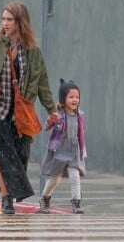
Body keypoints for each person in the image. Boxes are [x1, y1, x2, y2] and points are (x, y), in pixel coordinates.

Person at [0, 1, 59, 214]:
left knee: (19, 157)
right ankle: (7, 199)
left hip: (21, 115)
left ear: (20, 22)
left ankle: (7, 186)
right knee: (4, 155)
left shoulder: (32, 51)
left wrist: (51, 110)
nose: (6, 23)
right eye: (4, 19)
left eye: (10, 19)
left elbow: (42, 83)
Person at [39, 78, 87, 214]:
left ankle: (76, 203)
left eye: (77, 97)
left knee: (75, 176)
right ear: (63, 99)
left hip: (73, 151)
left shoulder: (80, 115)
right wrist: (50, 122)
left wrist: (82, 150)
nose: (75, 100)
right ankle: (44, 198)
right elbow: (47, 126)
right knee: (55, 179)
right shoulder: (59, 115)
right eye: (71, 97)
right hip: (59, 150)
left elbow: (80, 133)